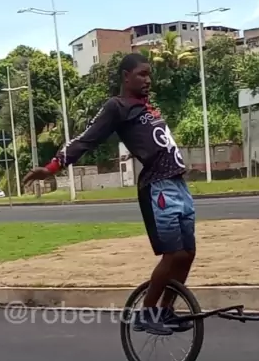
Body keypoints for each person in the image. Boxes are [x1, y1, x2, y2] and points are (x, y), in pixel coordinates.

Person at [22, 53, 195, 334]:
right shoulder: (117, 107)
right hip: (157, 186)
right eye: (141, 74)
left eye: (149, 74)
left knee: (187, 254)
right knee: (173, 254)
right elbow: (86, 139)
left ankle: (166, 310)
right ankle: (147, 313)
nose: (148, 80)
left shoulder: (147, 107)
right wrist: (52, 167)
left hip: (178, 183)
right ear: (126, 77)